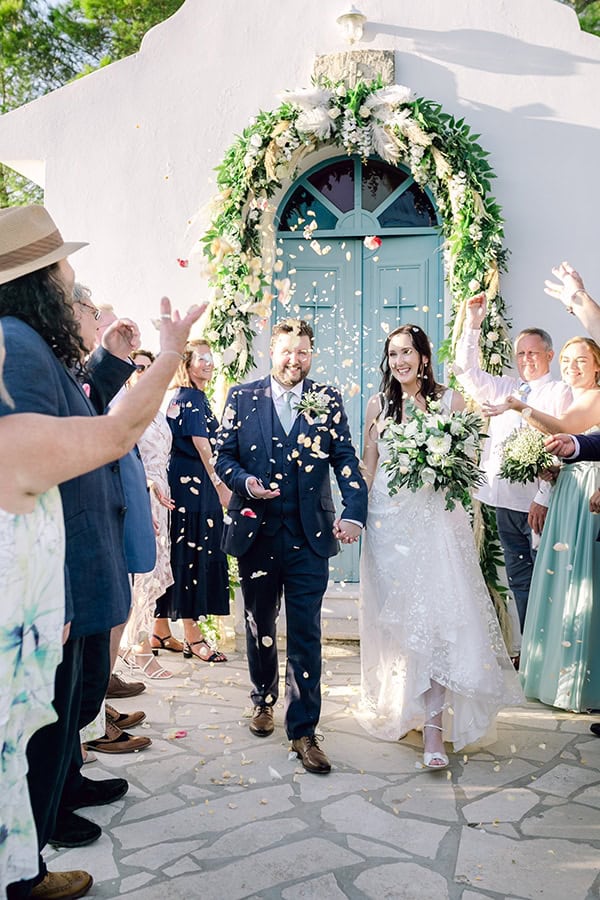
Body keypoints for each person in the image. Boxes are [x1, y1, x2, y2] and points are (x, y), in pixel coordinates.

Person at [0, 204, 203, 900]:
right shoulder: (15, 348)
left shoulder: (28, 341)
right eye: (65, 273)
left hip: (73, 560)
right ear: (36, 281)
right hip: (47, 576)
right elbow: (68, 449)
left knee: (69, 704)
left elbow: (79, 414)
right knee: (44, 719)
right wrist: (171, 351)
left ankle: (44, 827)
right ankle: (26, 864)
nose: (72, 284)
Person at [357, 324, 523, 769]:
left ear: (425, 357)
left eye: (408, 352)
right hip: (387, 526)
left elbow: (468, 465)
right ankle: (405, 708)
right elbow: (368, 467)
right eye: (393, 354)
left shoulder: (450, 401)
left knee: (436, 622)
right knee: (400, 626)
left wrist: (439, 466)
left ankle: (434, 729)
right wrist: (353, 512)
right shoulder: (377, 406)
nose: (400, 361)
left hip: (434, 525)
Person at [215, 318, 368, 774]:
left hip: (308, 536)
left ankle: (303, 730)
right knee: (259, 622)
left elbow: (344, 458)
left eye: (303, 352)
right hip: (256, 535)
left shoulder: (327, 399)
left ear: (311, 354)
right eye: (287, 351)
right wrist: (245, 482)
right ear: (272, 351)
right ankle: (263, 698)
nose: (294, 360)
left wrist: (354, 510)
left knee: (306, 633)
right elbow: (223, 455)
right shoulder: (242, 397)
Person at [487, 337, 600, 713]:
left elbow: (564, 427)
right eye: (568, 360)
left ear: (597, 365)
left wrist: (521, 408)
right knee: (563, 585)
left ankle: (582, 683)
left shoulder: (594, 396)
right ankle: (559, 677)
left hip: (588, 496)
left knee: (582, 588)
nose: (572, 367)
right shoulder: (573, 394)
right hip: (569, 489)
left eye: (581, 360)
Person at [454, 294, 571, 643]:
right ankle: (533, 649)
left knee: (547, 577)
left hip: (540, 506)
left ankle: (552, 650)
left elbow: (562, 447)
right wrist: (473, 324)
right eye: (521, 353)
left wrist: (544, 497)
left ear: (549, 355)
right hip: (504, 502)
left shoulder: (559, 392)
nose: (526, 359)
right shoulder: (505, 387)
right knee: (519, 578)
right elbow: (466, 371)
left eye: (533, 353)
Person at [154, 340, 231, 661]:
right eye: (201, 359)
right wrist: (221, 485)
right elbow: (203, 446)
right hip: (197, 489)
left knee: (180, 552)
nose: (209, 364)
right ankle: (193, 636)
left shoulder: (180, 398)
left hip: (182, 486)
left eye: (211, 358)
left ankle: (160, 629)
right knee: (192, 556)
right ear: (186, 363)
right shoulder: (194, 399)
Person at [121, 349, 177, 677]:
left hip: (163, 495)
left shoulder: (157, 409)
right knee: (143, 571)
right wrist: (148, 484)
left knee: (156, 571)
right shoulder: (126, 409)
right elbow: (122, 458)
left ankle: (137, 643)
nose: (143, 373)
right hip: (142, 494)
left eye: (148, 368)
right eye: (137, 368)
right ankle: (139, 648)